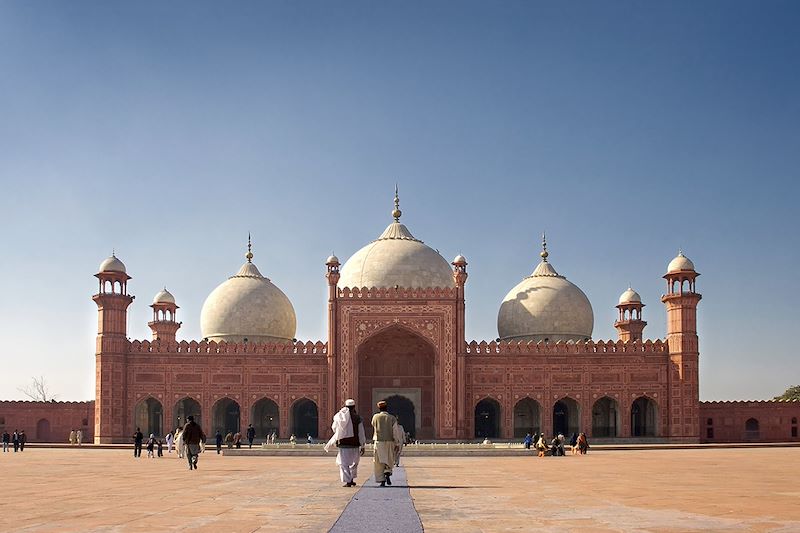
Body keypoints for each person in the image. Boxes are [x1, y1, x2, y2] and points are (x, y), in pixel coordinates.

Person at [324, 398, 366, 487]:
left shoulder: (340, 416)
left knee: (344, 463)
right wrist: (362, 445)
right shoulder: (357, 418)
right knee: (354, 463)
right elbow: (361, 432)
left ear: (346, 406)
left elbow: (334, 428)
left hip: (343, 444)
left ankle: (348, 481)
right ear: (354, 407)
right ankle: (351, 479)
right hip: (355, 444)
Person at [371, 400, 402, 487]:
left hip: (378, 442)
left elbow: (374, 426)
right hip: (389, 441)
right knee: (389, 459)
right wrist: (397, 443)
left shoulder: (375, 417)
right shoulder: (392, 418)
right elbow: (395, 432)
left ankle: (382, 480)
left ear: (379, 408)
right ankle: (387, 472)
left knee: (378, 461)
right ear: (386, 408)